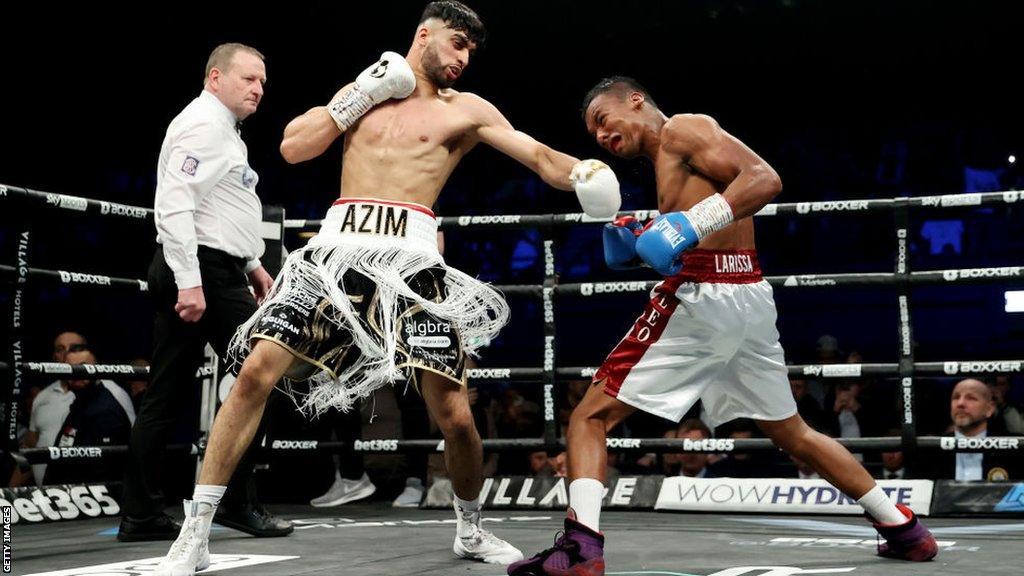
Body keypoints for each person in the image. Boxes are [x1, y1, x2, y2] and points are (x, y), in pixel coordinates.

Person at [155, 3, 620, 574]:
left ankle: (470, 529)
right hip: (335, 254)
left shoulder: (466, 110)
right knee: (254, 373)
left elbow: (538, 154)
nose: (462, 59)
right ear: (423, 35)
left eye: (471, 51)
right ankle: (195, 534)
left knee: (453, 413)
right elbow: (294, 147)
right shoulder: (367, 89)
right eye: (456, 44)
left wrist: (585, 174)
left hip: (414, 263)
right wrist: (361, 93)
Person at [510, 77, 937, 576]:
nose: (602, 137)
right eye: (593, 135)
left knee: (589, 416)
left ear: (635, 100)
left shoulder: (682, 129)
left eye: (603, 120)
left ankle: (580, 549)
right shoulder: (670, 161)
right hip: (746, 296)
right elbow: (705, 232)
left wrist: (686, 226)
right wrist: (647, 236)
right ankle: (906, 531)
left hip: (705, 301)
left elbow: (764, 179)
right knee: (794, 433)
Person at [119, 42, 291, 543]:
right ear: (215, 77)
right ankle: (236, 501)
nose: (259, 89)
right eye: (248, 79)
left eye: (262, 81)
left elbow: (221, 208)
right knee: (263, 373)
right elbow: (174, 206)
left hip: (212, 268)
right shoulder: (203, 125)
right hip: (200, 272)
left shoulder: (223, 131)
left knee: (167, 392)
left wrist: (255, 265)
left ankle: (141, 513)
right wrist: (192, 282)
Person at [43, 348, 134, 484]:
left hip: (87, 499)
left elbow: (104, 472)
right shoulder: (81, 405)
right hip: (63, 496)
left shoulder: (104, 412)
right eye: (70, 368)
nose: (77, 373)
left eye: (83, 367)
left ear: (96, 369)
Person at [23, 331, 88, 486]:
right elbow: (29, 450)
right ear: (54, 357)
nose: (67, 354)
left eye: (74, 348)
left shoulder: (111, 393)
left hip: (90, 500)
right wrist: (7, 497)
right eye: (60, 349)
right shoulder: (42, 397)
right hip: (44, 500)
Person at [929, 378, 1022, 481]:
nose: (960, 403)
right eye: (956, 397)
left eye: (971, 398)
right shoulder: (930, 451)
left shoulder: (1014, 450)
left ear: (989, 409)